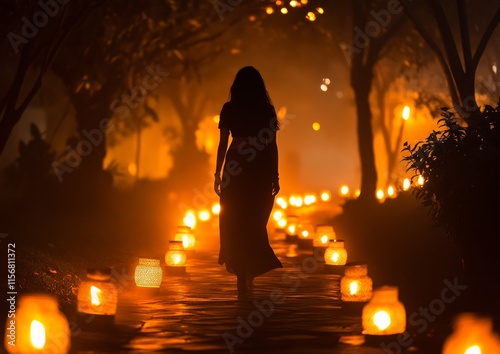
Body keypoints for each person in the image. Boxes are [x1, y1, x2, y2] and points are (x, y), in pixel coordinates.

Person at [214, 66, 283, 296]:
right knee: (254, 221)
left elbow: (223, 143)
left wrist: (217, 174)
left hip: (236, 168)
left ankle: (243, 270)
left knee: (234, 219)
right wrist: (275, 174)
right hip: (259, 168)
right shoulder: (266, 110)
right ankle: (249, 268)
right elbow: (272, 145)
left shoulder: (229, 108)